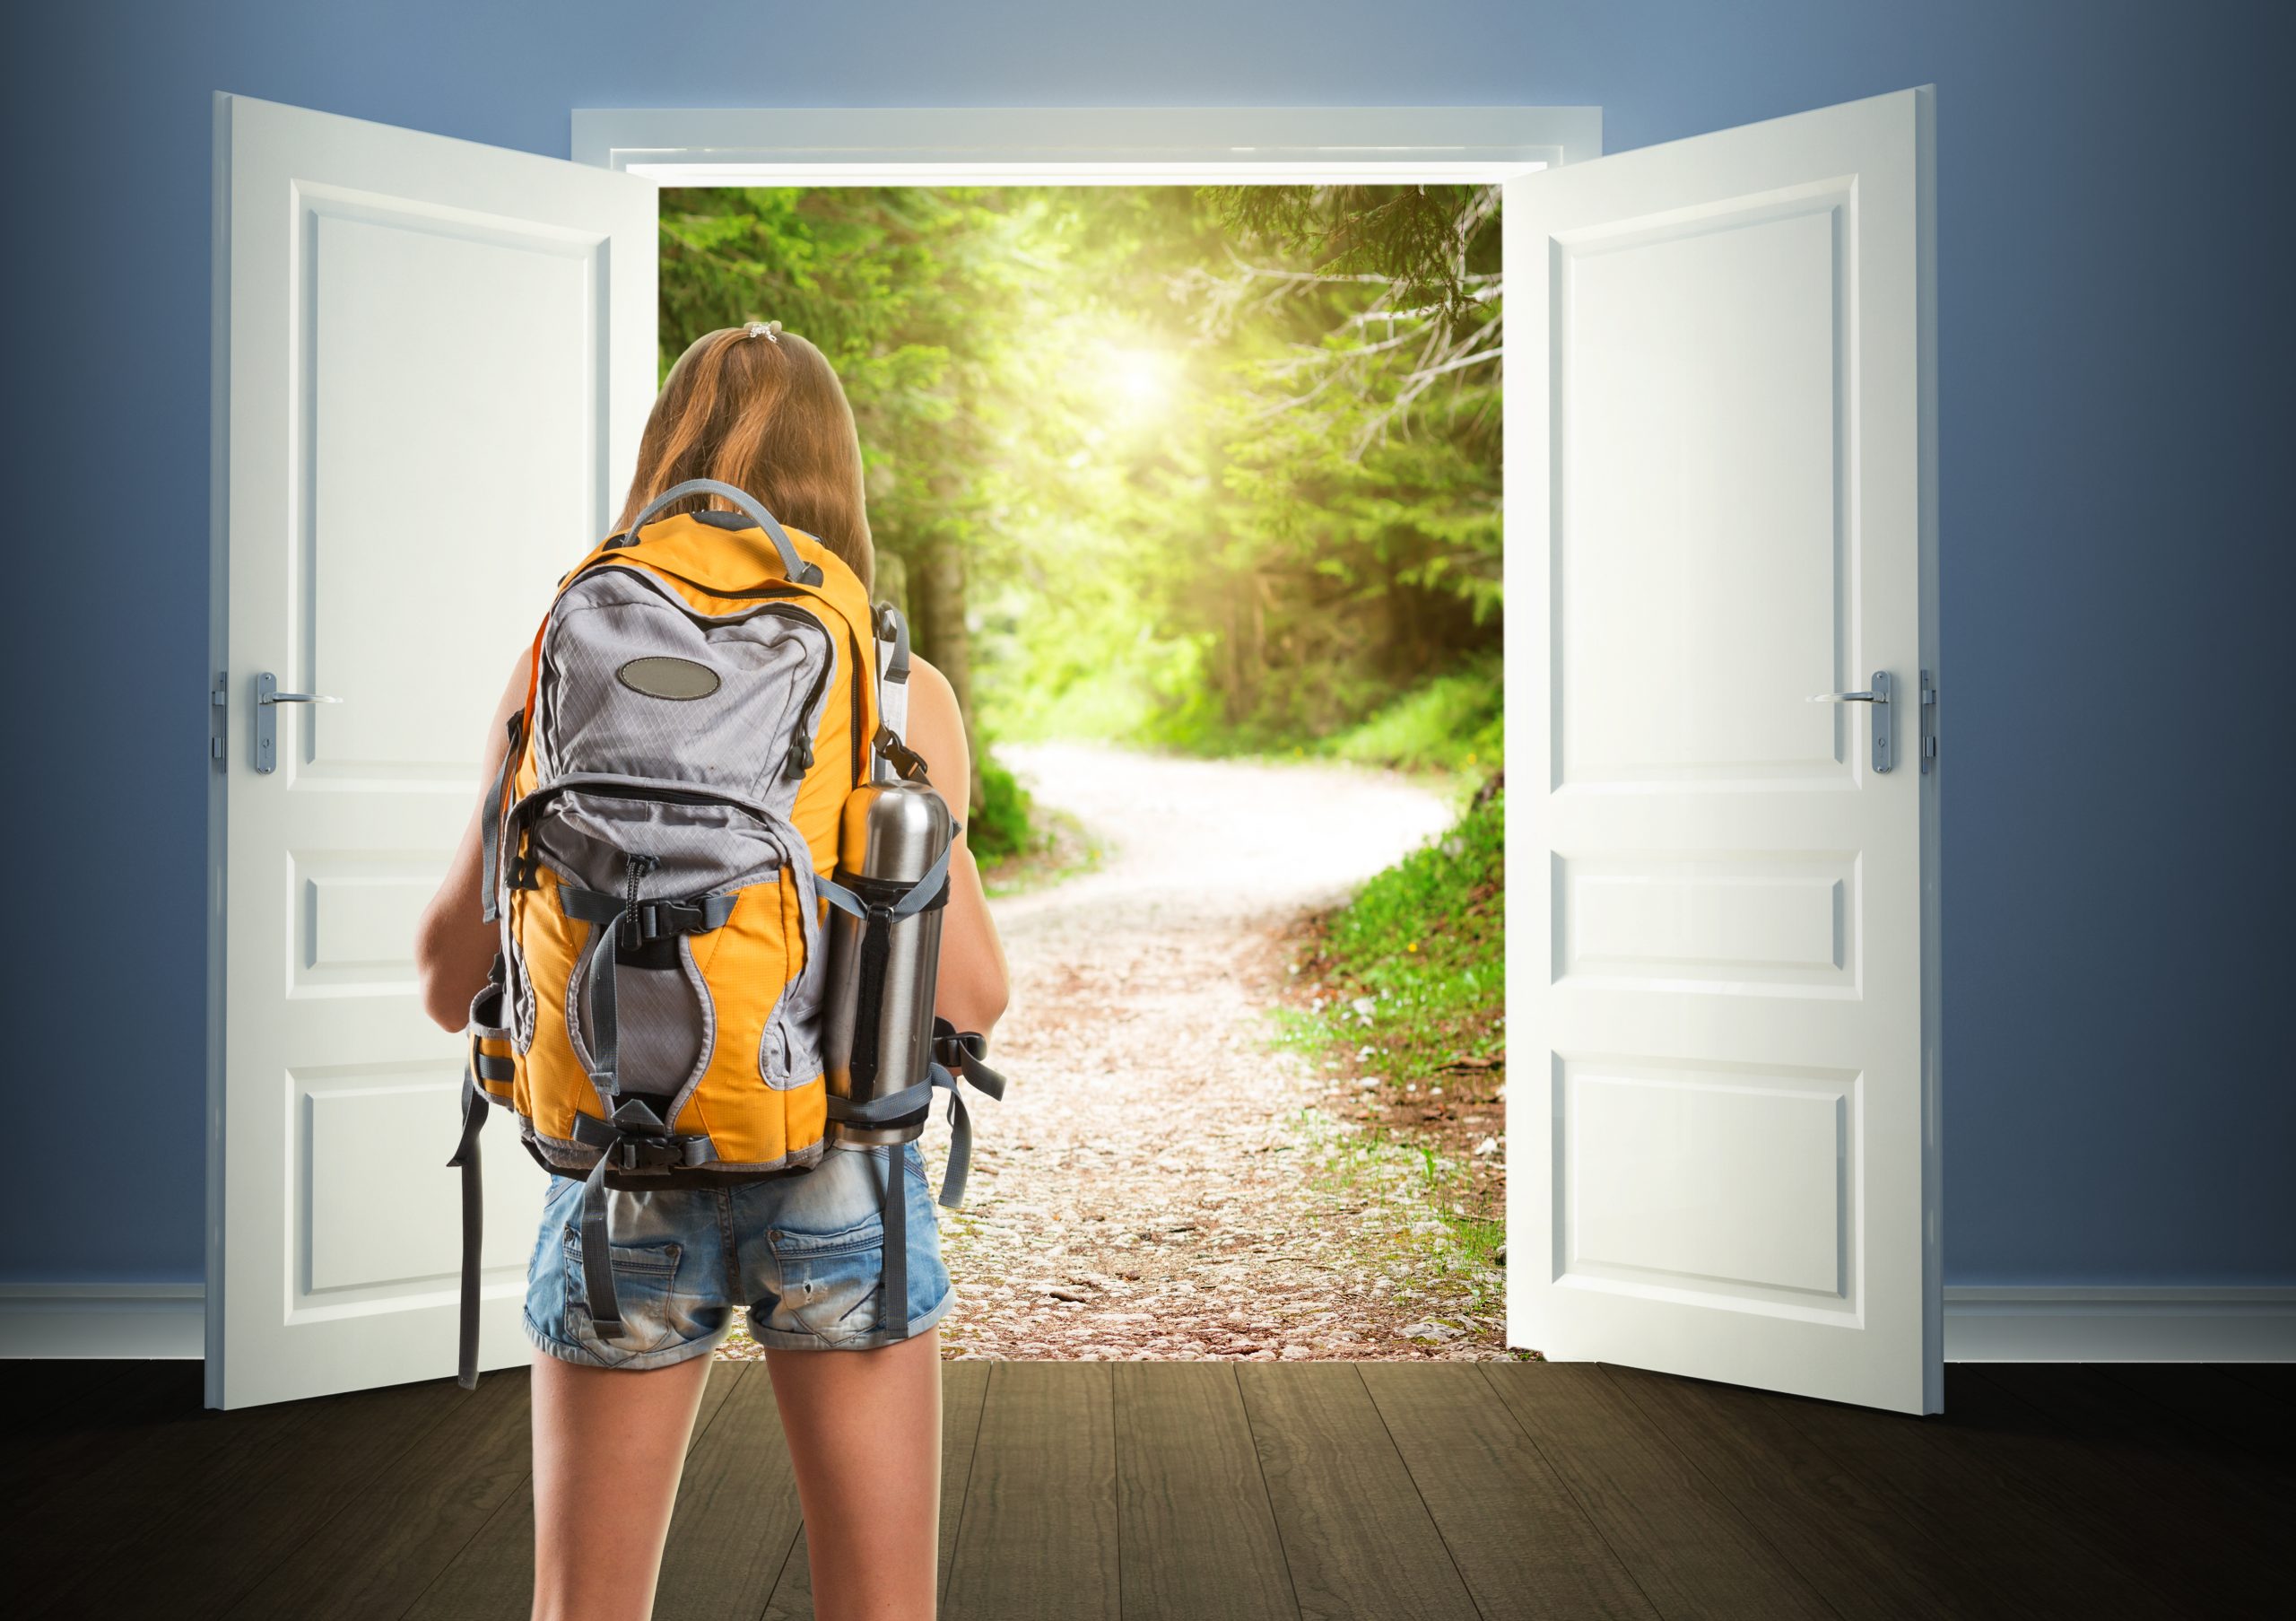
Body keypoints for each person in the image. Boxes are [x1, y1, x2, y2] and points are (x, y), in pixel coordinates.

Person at [415, 323, 1011, 1621]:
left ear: (662, 454)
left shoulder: (555, 664)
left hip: (615, 1169)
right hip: (841, 1176)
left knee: (586, 1611)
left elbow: (443, 971)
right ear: (839, 475)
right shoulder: (901, 692)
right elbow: (967, 998)